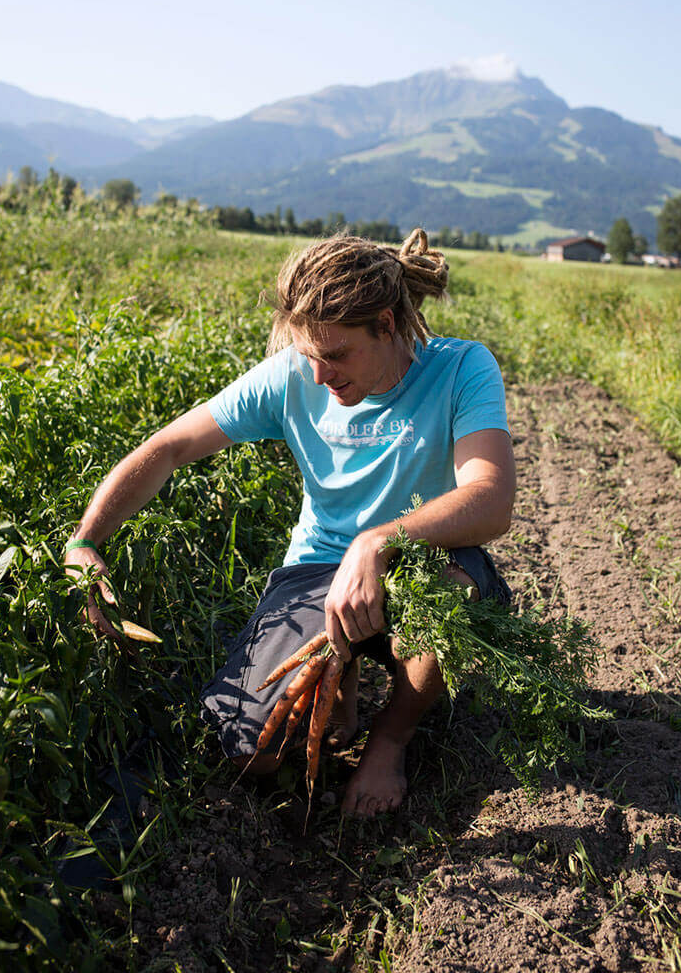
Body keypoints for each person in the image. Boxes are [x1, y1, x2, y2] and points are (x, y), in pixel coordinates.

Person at [65, 228, 515, 818]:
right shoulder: (294, 375)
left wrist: (378, 540)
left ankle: (390, 738)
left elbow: (491, 497)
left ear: (386, 324)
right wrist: (85, 540)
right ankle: (343, 665)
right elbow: (170, 447)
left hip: (429, 561)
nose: (321, 375)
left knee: (448, 601)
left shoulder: (460, 368)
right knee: (255, 752)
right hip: (318, 573)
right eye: (309, 355)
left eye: (336, 354)